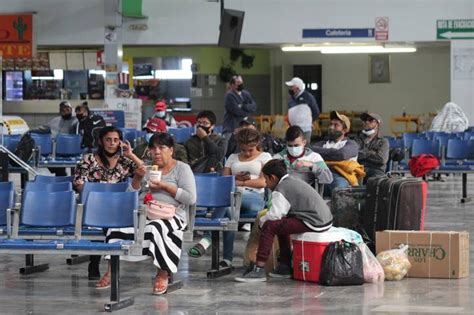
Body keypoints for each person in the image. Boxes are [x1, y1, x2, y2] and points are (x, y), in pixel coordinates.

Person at [96, 133, 196, 295]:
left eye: (162, 147)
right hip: (144, 213)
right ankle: (112, 269)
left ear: (171, 150)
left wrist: (164, 186)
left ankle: (163, 272)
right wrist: (137, 178)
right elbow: (130, 194)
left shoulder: (182, 169)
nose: (157, 151)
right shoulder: (147, 168)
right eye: (153, 148)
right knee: (115, 229)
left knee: (157, 227)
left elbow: (190, 198)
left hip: (171, 215)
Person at [234, 159, 333, 282]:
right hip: (323, 219)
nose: (265, 183)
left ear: (273, 178)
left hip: (314, 222)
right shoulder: (291, 180)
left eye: (265, 179)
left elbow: (274, 216)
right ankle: (285, 265)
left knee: (269, 226)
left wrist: (261, 222)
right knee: (280, 224)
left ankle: (259, 268)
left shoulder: (281, 188)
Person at [188, 128, 271, 266]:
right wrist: (235, 179)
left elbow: (262, 182)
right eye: (244, 150)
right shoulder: (232, 157)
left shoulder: (265, 157)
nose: (247, 153)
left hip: (254, 198)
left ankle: (207, 239)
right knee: (228, 212)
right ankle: (227, 259)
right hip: (232, 198)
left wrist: (239, 182)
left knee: (228, 200)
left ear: (257, 143)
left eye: (250, 149)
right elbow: (224, 181)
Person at [73, 126, 140, 280]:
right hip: (93, 206)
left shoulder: (124, 161)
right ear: (101, 142)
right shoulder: (88, 159)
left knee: (112, 223)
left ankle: (105, 262)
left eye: (116, 140)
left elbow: (144, 171)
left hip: (117, 206)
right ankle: (96, 261)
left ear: (120, 143)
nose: (112, 143)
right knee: (103, 223)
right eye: (108, 139)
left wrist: (131, 154)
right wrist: (102, 194)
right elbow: (78, 183)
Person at [312, 111, 362, 197]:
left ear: (345, 130)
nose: (331, 127)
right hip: (320, 175)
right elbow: (311, 151)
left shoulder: (351, 144)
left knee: (339, 188)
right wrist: (333, 154)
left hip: (340, 176)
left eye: (336, 125)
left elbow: (341, 154)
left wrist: (323, 154)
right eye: (330, 124)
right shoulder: (322, 143)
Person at [355, 112, 389, 183]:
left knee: (375, 181)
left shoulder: (383, 142)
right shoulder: (358, 139)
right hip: (359, 169)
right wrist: (371, 153)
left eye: (370, 120)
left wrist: (363, 154)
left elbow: (382, 159)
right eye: (365, 120)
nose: (366, 122)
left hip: (376, 171)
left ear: (378, 124)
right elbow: (354, 154)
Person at [223, 75, 257, 144]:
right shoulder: (229, 95)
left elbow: (254, 106)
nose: (240, 84)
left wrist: (243, 106)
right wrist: (247, 112)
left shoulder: (246, 94)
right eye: (238, 83)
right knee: (230, 147)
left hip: (244, 128)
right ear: (232, 85)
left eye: (241, 82)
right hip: (232, 127)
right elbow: (236, 111)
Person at [285, 77, 320, 144]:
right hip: (294, 129)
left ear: (297, 87)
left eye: (292, 87)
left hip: (305, 129)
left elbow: (316, 112)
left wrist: (309, 122)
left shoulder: (308, 97)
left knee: (305, 147)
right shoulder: (291, 99)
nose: (290, 89)